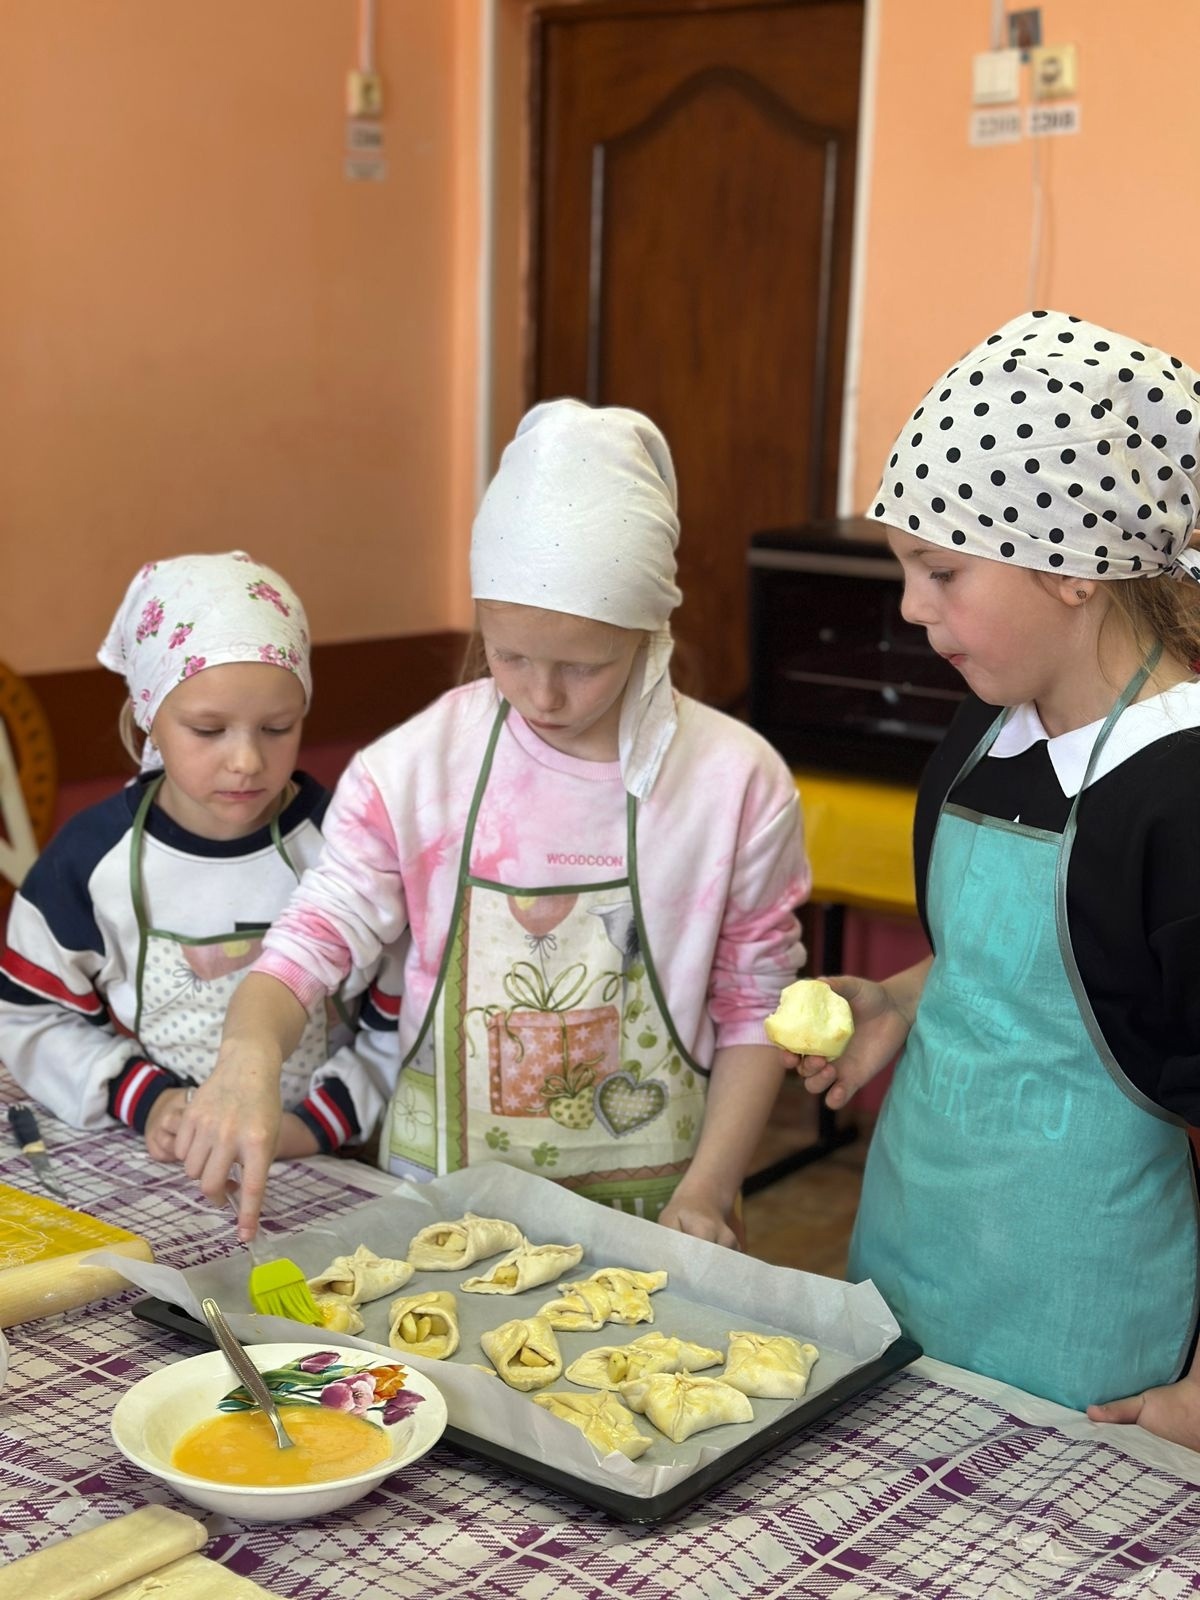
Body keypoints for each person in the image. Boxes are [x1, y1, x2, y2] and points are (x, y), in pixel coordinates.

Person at [177, 401, 810, 1244]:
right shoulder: (415, 770)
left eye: (585, 666)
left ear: (649, 629)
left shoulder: (735, 783)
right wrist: (249, 1058)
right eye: (509, 655)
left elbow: (752, 1002)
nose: (543, 697)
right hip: (440, 1216)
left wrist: (710, 1187)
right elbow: (314, 938)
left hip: (663, 1218)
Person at [794, 309, 1200, 1448]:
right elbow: (1025, 958)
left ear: (1073, 570)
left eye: (941, 570)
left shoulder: (1178, 793)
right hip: (917, 1265)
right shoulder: (989, 737)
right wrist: (902, 1000)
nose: (914, 608)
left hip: (1090, 1325)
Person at [0, 552, 397, 1163]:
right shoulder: (90, 862)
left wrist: (315, 1127)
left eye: (277, 728)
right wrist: (145, 1099)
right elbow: (29, 1018)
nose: (246, 761)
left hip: (323, 1159)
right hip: (152, 1159)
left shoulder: (347, 847)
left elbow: (404, 1016)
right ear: (149, 718)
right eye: (209, 731)